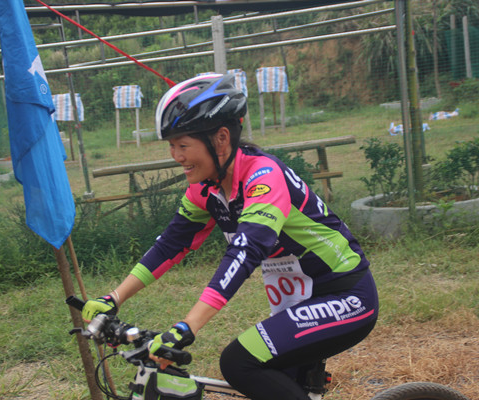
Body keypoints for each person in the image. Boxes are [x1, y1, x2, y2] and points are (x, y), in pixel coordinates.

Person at [81, 73, 379, 400]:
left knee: (239, 363)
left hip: (344, 296)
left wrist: (188, 326)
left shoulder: (264, 177)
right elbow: (170, 245)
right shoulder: (206, 189)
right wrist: (114, 298)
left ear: (221, 138)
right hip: (298, 304)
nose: (176, 156)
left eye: (183, 145)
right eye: (171, 146)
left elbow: (245, 252)